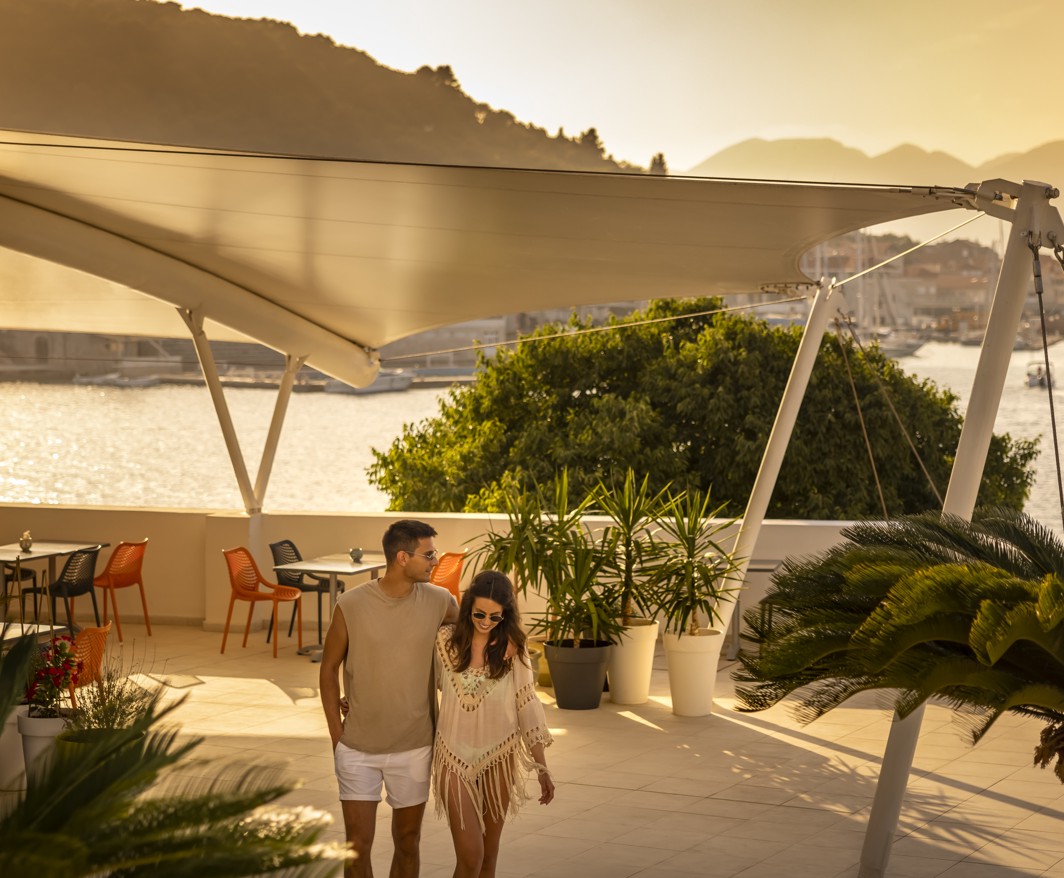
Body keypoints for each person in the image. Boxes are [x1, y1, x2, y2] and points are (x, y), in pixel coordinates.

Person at [320, 519, 459, 878]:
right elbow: (328, 668)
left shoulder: (440, 601)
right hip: (356, 749)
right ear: (401, 557)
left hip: (414, 746)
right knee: (357, 848)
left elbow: (471, 641)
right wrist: (338, 737)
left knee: (408, 841)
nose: (435, 561)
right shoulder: (350, 604)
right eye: (429, 555)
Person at [433, 570, 555, 878]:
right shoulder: (444, 642)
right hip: (452, 758)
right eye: (479, 614)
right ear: (468, 607)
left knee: (488, 856)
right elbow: (411, 681)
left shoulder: (513, 649)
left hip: (498, 757)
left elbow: (527, 704)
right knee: (471, 855)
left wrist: (542, 767)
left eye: (495, 617)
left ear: (506, 614)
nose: (486, 622)